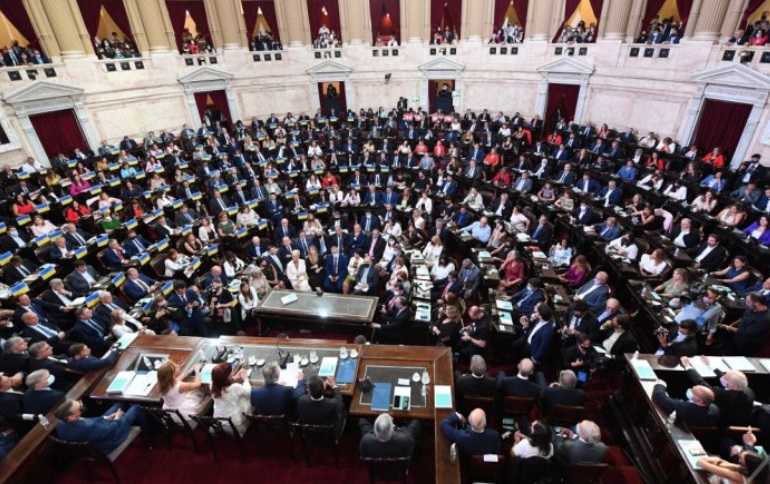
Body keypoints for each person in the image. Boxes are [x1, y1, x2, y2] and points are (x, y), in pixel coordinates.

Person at [680, 356, 754, 428]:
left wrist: (688, 366)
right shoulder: (748, 391)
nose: (723, 378)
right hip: (740, 420)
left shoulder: (722, 394)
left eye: (726, 378)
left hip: (721, 423)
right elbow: (726, 378)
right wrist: (710, 365)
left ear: (734, 386)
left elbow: (701, 383)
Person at [54, 398, 148, 454]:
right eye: (79, 409)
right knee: (136, 408)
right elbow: (110, 429)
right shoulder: (88, 427)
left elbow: (92, 421)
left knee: (120, 404)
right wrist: (117, 418)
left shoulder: (60, 423)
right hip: (110, 439)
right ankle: (148, 433)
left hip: (99, 433)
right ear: (71, 417)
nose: (81, 409)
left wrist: (106, 418)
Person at [651, 379, 719, 427]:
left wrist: (660, 384)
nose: (690, 390)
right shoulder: (714, 408)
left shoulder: (685, 408)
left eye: (693, 391)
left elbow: (659, 395)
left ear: (700, 401)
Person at [158, 361, 207, 426]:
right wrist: (197, 371)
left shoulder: (163, 384)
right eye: (175, 367)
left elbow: (176, 380)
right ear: (172, 374)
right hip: (183, 412)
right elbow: (197, 384)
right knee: (203, 393)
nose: (178, 366)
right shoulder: (180, 386)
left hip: (171, 411)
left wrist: (188, 372)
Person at [210, 362, 252, 436]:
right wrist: (246, 379)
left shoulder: (211, 385)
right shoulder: (235, 387)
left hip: (218, 420)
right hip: (234, 423)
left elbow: (221, 383)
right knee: (250, 399)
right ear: (227, 377)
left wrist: (234, 378)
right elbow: (248, 392)